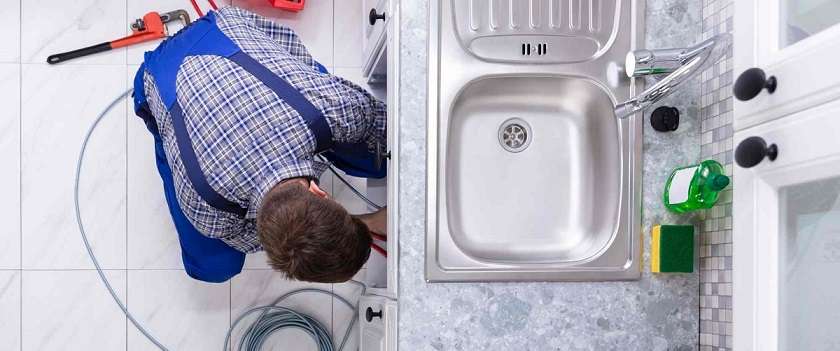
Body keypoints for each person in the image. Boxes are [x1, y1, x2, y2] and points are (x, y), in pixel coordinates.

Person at [132, 6, 387, 283]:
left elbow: (380, 121)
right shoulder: (208, 211)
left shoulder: (335, 109)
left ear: (321, 193)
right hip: (155, 77)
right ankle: (163, 132)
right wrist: (365, 222)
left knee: (376, 156)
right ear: (319, 192)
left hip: (224, 26)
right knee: (214, 267)